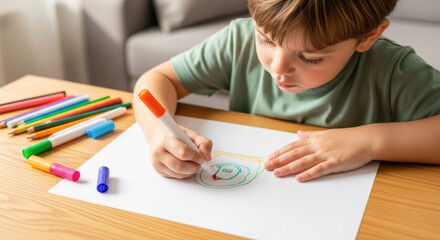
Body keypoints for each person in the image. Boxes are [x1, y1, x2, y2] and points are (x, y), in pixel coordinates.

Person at [133, 0, 440, 182]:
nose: (279, 67)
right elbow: (156, 80)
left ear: (368, 37)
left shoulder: (392, 71)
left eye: (310, 56)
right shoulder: (237, 42)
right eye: (265, 39)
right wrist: (158, 134)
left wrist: (368, 141)